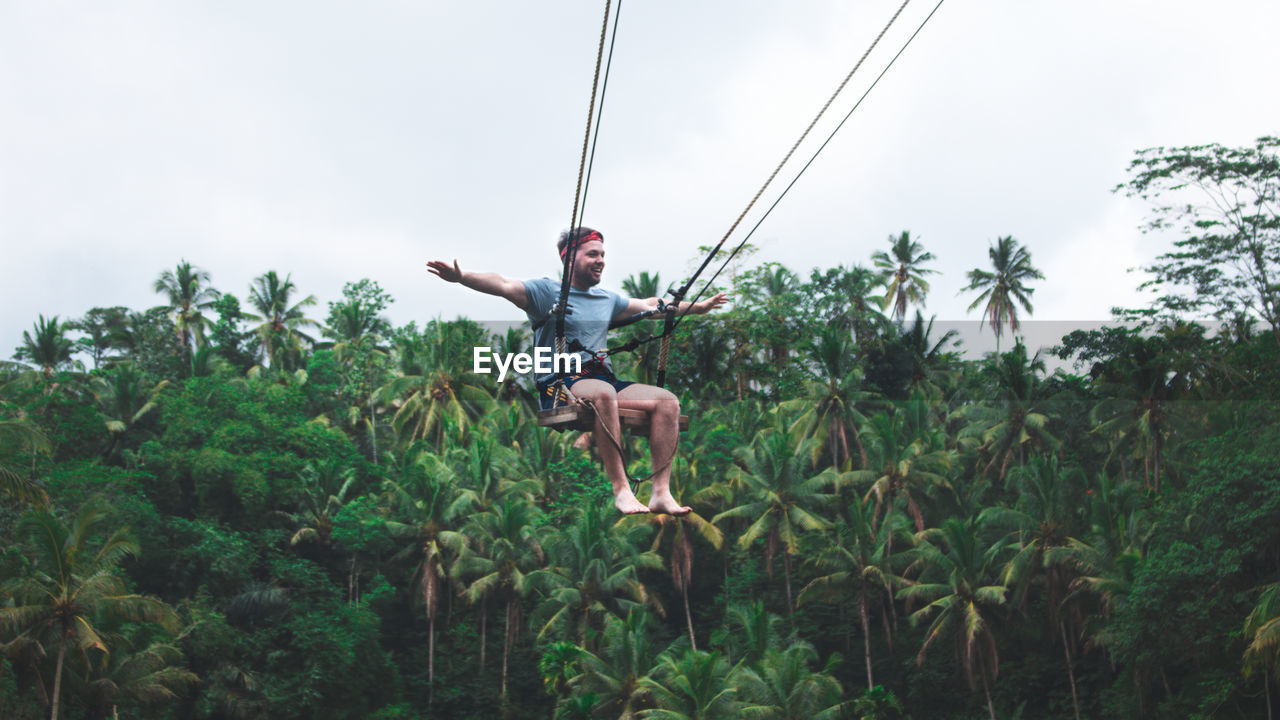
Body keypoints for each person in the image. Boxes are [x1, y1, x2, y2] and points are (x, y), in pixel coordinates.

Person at [427, 226, 727, 515]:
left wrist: (699, 307)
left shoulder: (607, 299)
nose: (601, 261)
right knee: (604, 394)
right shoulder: (546, 292)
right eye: (592, 254)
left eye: (602, 254)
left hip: (602, 380)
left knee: (668, 402)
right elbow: (503, 284)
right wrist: (461, 276)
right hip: (559, 384)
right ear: (570, 259)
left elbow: (652, 306)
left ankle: (661, 493)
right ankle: (621, 489)